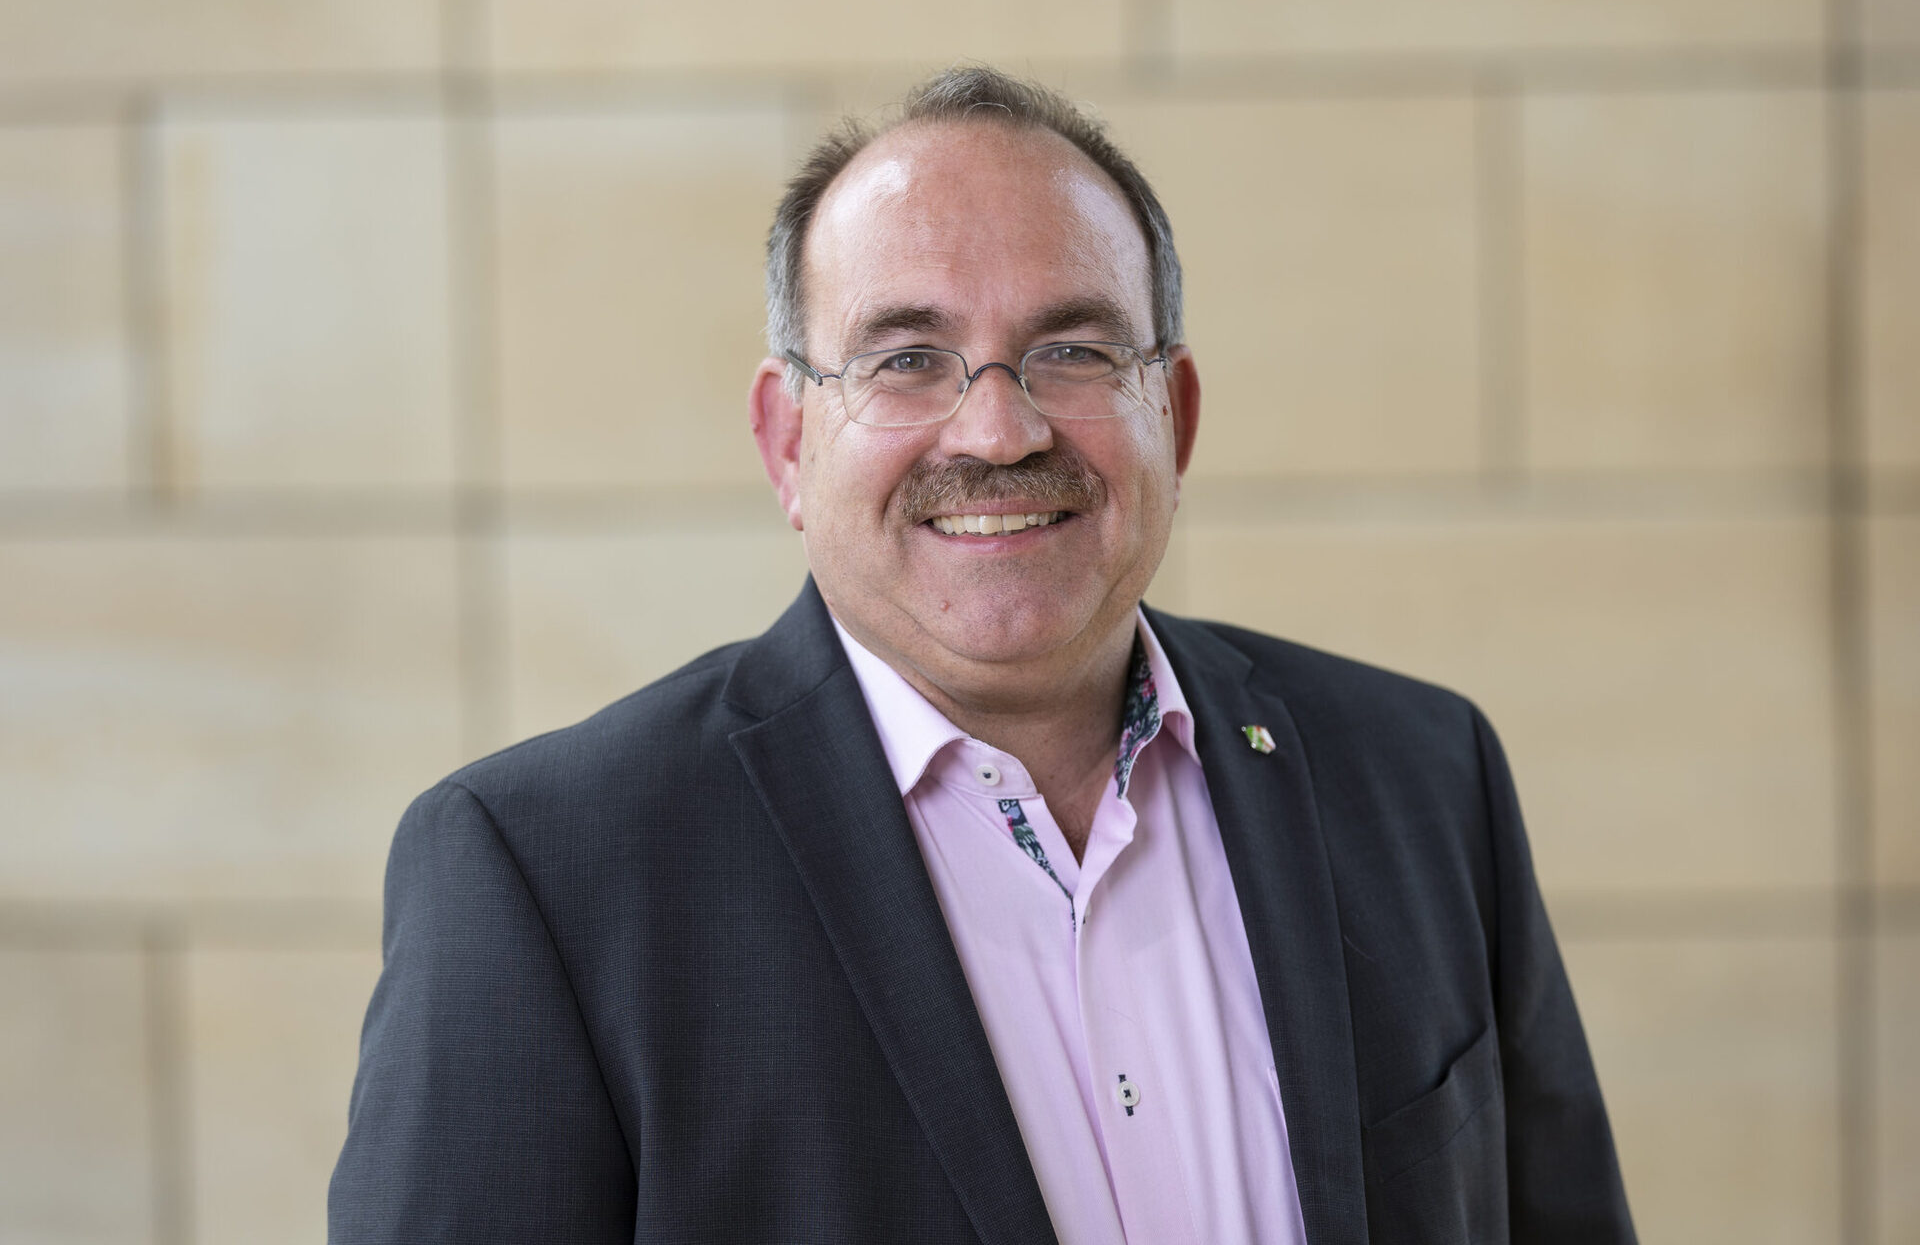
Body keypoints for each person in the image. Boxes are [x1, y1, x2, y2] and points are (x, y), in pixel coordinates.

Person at [329, 66, 1635, 1244]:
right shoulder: (548, 876)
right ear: (788, 442)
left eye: (1071, 350)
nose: (999, 431)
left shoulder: (1420, 777)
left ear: (1174, 417)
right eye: (908, 359)